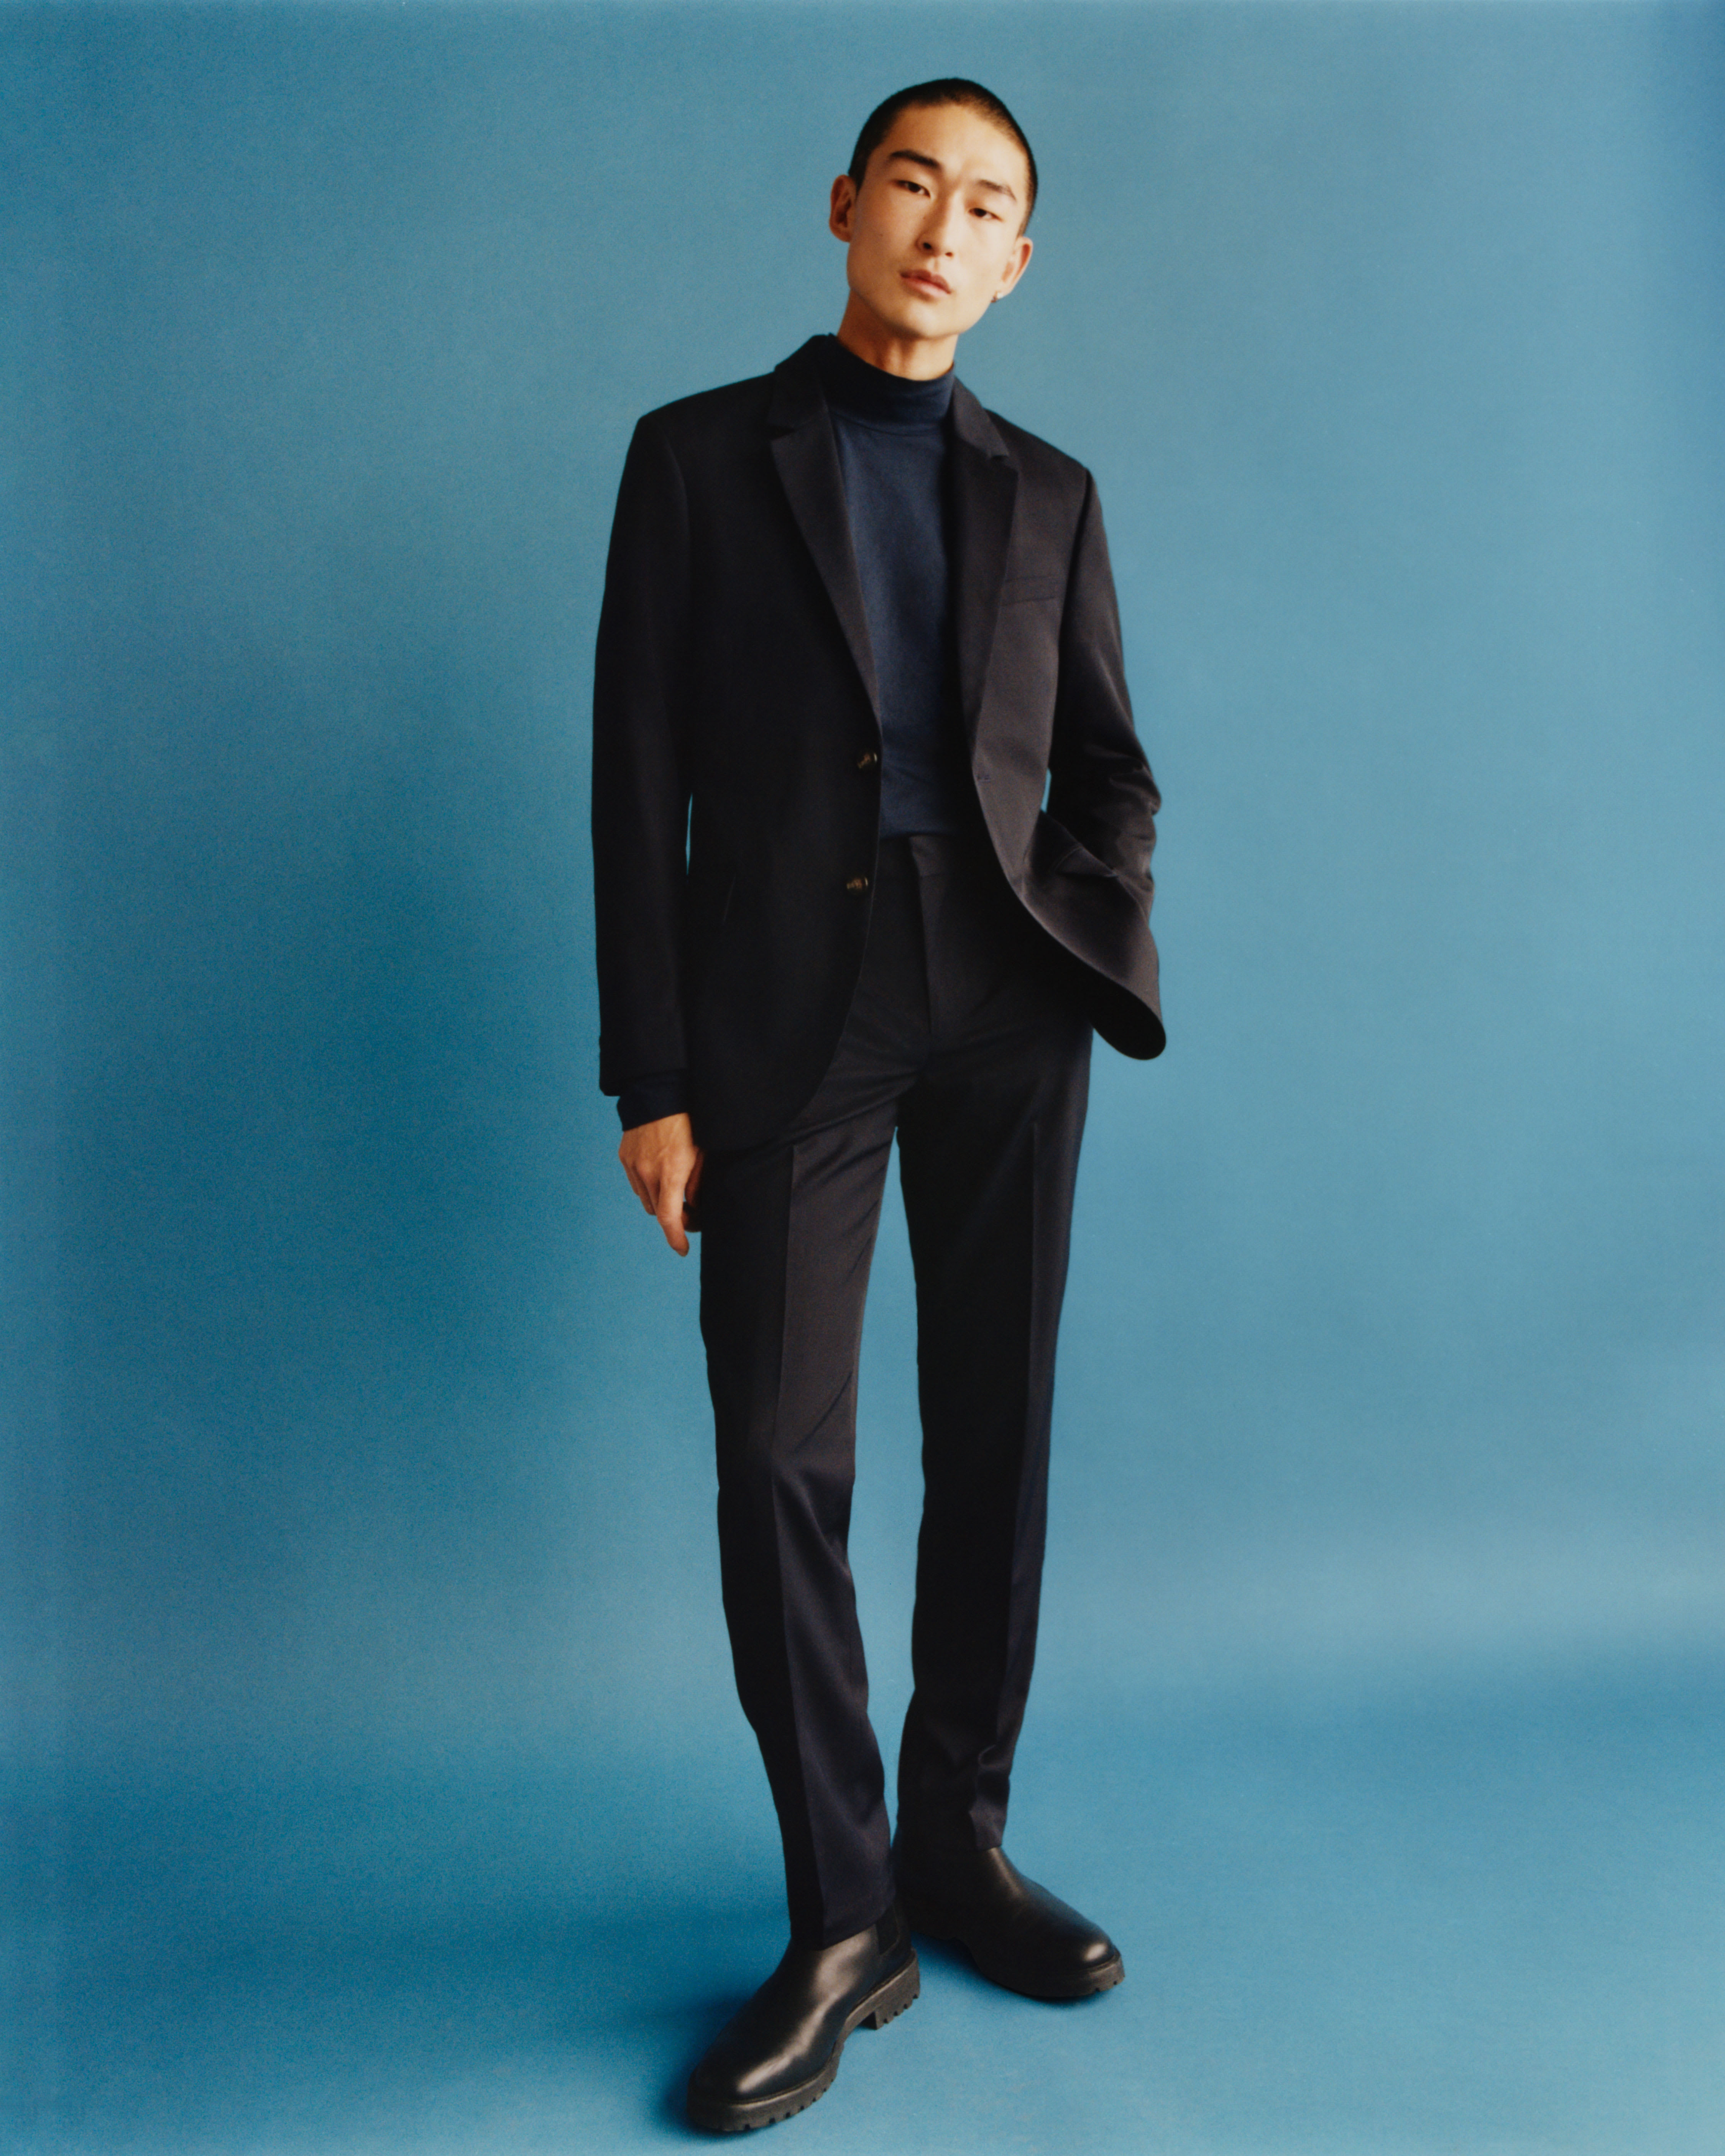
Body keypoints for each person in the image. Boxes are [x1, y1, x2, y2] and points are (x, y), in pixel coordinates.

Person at [591, 78, 1164, 2134]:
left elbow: (1110, 764)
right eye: (914, 181)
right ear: (844, 206)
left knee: (997, 1432)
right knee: (777, 1454)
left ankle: (956, 1845)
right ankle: (844, 1916)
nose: (943, 224)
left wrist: (1084, 924)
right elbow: (632, 781)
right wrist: (654, 1077)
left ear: (1017, 262)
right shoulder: (695, 459)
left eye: (985, 203)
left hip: (1005, 1001)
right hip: (785, 1021)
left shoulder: (1052, 493)